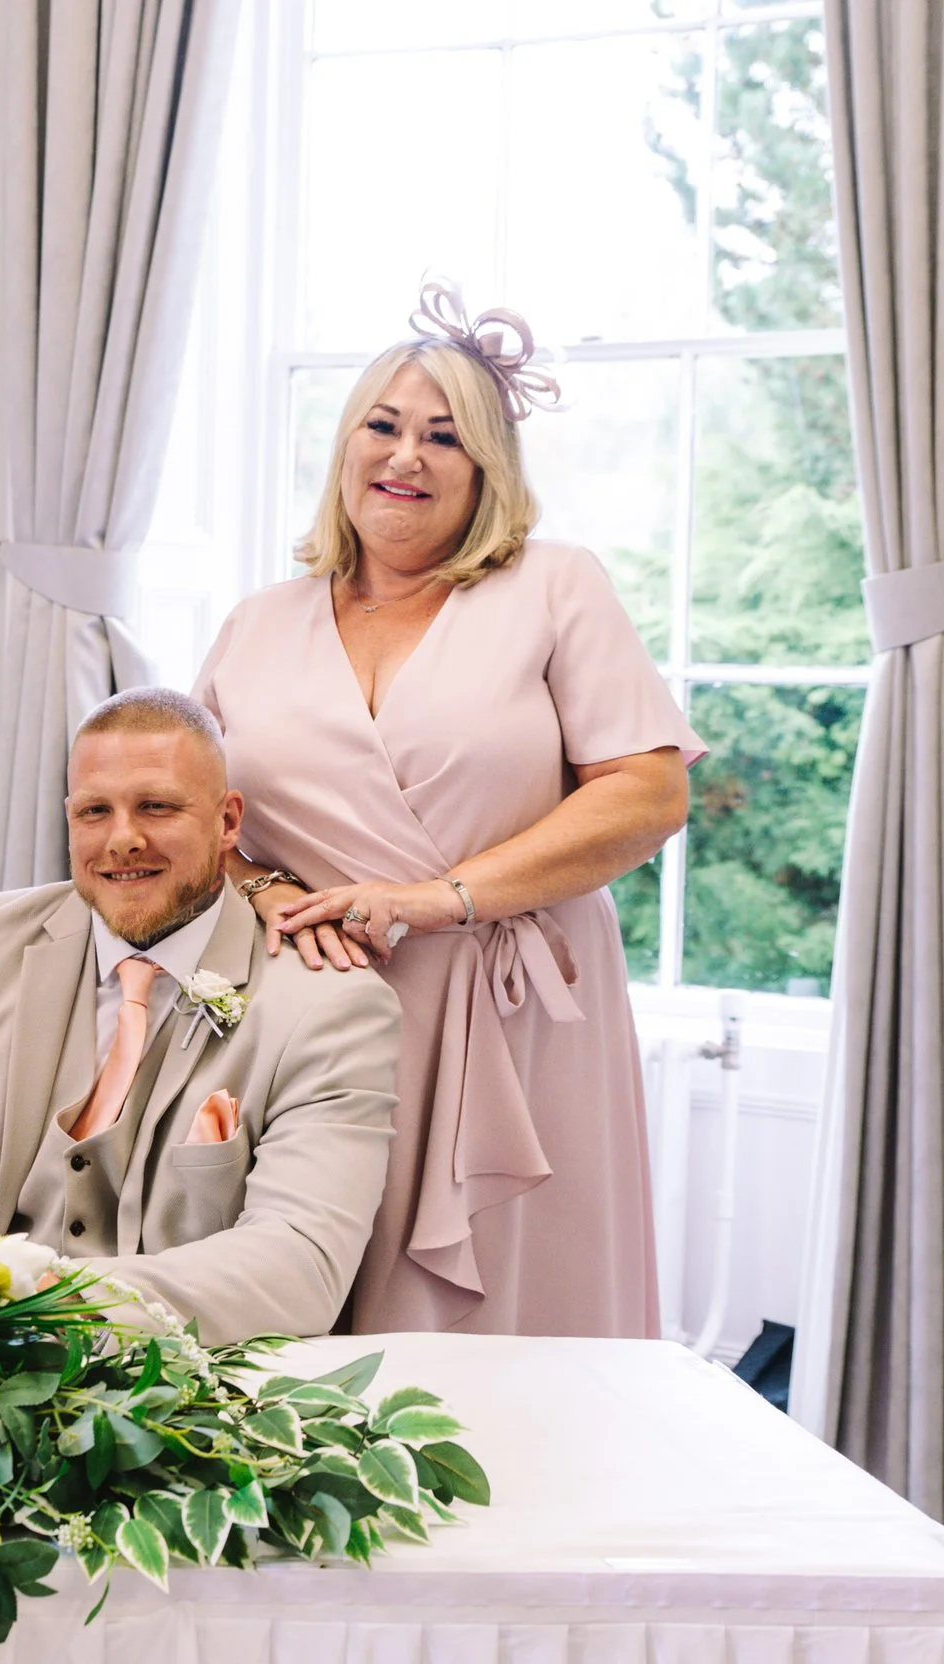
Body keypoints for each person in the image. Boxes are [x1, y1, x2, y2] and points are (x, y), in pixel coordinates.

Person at [195, 282, 703, 1337]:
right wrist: (267, 889)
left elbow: (649, 791)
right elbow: (198, 820)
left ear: (487, 470)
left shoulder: (554, 587)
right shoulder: (256, 622)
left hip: (514, 1017)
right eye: (383, 426)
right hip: (319, 1013)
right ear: (345, 447)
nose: (407, 456)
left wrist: (441, 897)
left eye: (445, 436)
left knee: (519, 1318)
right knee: (308, 1295)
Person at [0, 689, 402, 1344]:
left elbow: (298, 1267)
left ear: (228, 822)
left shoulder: (330, 1007)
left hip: (186, 1387)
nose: (123, 840)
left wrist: (21, 1298)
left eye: (156, 807)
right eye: (95, 811)